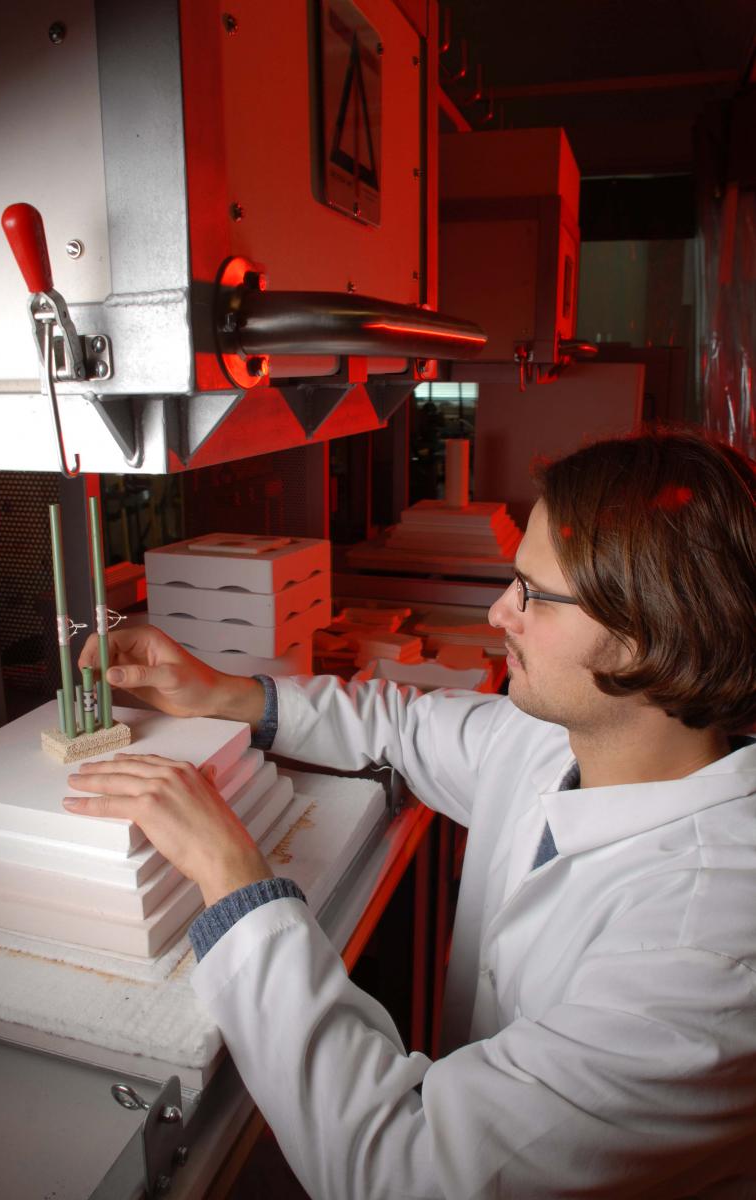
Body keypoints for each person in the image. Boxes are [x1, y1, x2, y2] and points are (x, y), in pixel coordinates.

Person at [66, 429, 756, 1198]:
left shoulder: (705, 959)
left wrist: (236, 884)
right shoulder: (559, 742)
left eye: (531, 593)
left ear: (639, 637)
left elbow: (404, 1174)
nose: (500, 612)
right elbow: (399, 725)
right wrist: (221, 693)